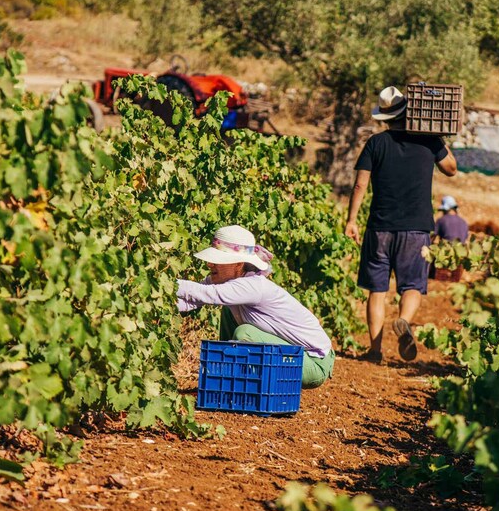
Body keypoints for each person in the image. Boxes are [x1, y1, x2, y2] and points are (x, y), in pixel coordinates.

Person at [345, 86, 457, 363]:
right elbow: (451, 168)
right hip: (416, 229)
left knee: (377, 290)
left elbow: (360, 184)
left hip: (379, 227)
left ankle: (374, 351)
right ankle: (404, 320)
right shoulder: (429, 142)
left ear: (385, 117)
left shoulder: (375, 143)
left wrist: (351, 220)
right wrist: (439, 137)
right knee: (412, 286)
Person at [175, 225, 335, 388]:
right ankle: (226, 376)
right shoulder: (228, 282)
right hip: (294, 353)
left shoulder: (253, 286)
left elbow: (209, 294)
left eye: (218, 260)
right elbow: (193, 298)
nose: (210, 264)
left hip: (313, 362)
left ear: (238, 264)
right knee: (229, 311)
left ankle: (235, 381)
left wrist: (167, 282)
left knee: (245, 333)